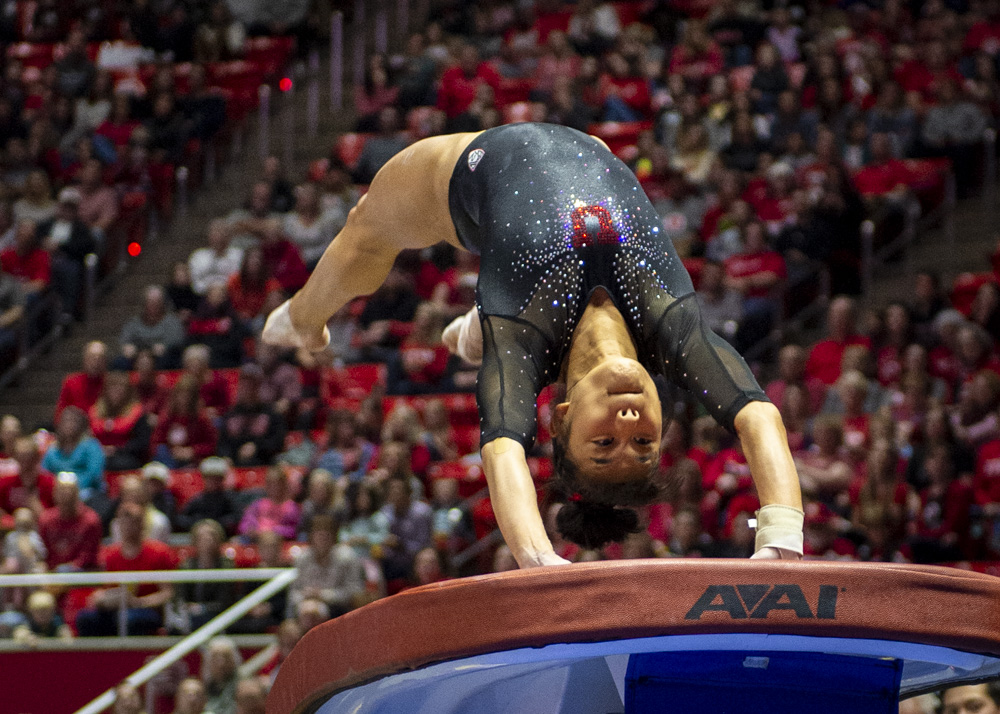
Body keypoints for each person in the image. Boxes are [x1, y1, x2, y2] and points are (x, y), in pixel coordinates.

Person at [263, 123, 803, 568]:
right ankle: (478, 318)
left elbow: (503, 449)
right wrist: (782, 537)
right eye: (643, 444)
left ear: (562, 416)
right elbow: (756, 414)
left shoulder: (520, 336)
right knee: (520, 296)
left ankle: (302, 318)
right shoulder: (672, 331)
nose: (629, 426)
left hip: (472, 176)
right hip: (588, 152)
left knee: (367, 230)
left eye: (604, 445)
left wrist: (539, 560)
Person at [76, 502, 177, 636]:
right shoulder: (108, 554)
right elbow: (98, 592)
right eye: (124, 521)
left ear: (142, 524)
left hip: (146, 610)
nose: (129, 526)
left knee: (128, 619)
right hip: (114, 608)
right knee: (86, 618)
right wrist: (103, 600)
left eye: (133, 521)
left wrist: (139, 603)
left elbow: (167, 593)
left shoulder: (159, 552)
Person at [286, 514, 365, 619]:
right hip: (305, 606)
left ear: (334, 536)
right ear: (311, 536)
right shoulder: (302, 558)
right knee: (292, 626)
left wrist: (324, 595)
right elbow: (293, 593)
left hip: (339, 610)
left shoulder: (347, 557)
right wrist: (305, 596)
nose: (322, 539)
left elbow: (355, 591)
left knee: (313, 613)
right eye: (318, 535)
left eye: (326, 535)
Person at [38, 471, 102, 571]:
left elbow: (89, 556)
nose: (66, 494)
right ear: (55, 493)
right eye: (62, 490)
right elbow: (42, 552)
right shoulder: (46, 519)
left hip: (81, 576)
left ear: (77, 493)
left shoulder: (90, 520)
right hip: (51, 576)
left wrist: (68, 569)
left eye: (70, 490)